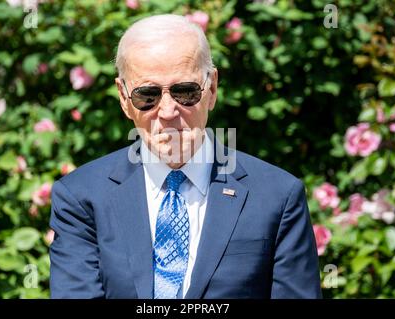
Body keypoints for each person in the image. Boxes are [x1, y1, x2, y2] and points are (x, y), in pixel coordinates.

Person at [49, 14, 322, 299]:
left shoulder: (277, 196)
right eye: (148, 95)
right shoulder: (81, 197)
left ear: (212, 88)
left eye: (185, 92)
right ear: (123, 97)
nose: (167, 112)